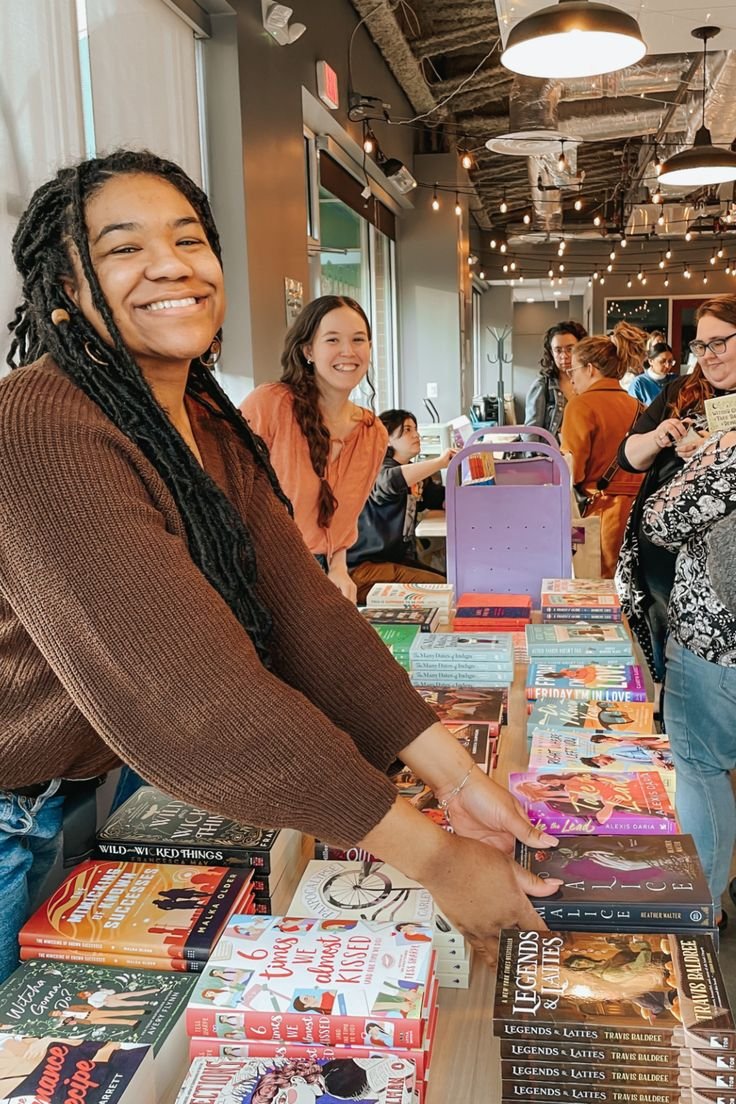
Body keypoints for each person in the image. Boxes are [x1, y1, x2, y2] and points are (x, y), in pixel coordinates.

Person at [0, 149, 558, 983]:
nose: (170, 266)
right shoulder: (38, 425)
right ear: (65, 289)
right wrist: (436, 859)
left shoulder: (202, 420)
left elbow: (305, 611)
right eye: (122, 248)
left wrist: (458, 777)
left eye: (190, 239)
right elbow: (188, 691)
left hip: (102, 781)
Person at [642, 380, 736, 928]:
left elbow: (662, 519)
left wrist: (707, 456)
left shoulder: (729, 455)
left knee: (700, 766)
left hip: (715, 638)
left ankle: (700, 907)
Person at [615, 296, 736, 681]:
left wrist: (710, 451)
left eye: (720, 343)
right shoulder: (680, 391)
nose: (708, 356)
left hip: (719, 590)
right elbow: (627, 457)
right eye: (701, 346)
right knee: (671, 670)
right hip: (662, 570)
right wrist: (658, 437)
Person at [240, 295, 387, 603]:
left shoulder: (372, 434)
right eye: (332, 339)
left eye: (358, 340)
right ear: (308, 350)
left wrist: (338, 568)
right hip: (259, 577)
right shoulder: (269, 405)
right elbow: (227, 495)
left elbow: (344, 521)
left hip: (321, 576)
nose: (348, 351)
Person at [560, 322, 646, 578]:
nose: (571, 377)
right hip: (639, 511)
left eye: (573, 369)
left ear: (590, 368)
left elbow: (572, 472)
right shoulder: (637, 405)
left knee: (596, 589)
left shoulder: (580, 406)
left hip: (599, 513)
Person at [347, 409, 455, 604]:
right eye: (406, 430)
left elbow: (438, 497)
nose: (416, 435)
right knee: (445, 590)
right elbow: (389, 482)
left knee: (450, 580)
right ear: (385, 439)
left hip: (389, 562)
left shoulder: (414, 475)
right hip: (363, 569)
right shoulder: (377, 468)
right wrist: (439, 462)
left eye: (415, 429)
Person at [524, 321, 587, 439]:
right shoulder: (542, 386)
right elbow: (531, 432)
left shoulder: (591, 383)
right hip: (553, 454)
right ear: (551, 353)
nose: (564, 356)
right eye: (558, 350)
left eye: (570, 349)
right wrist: (538, 455)